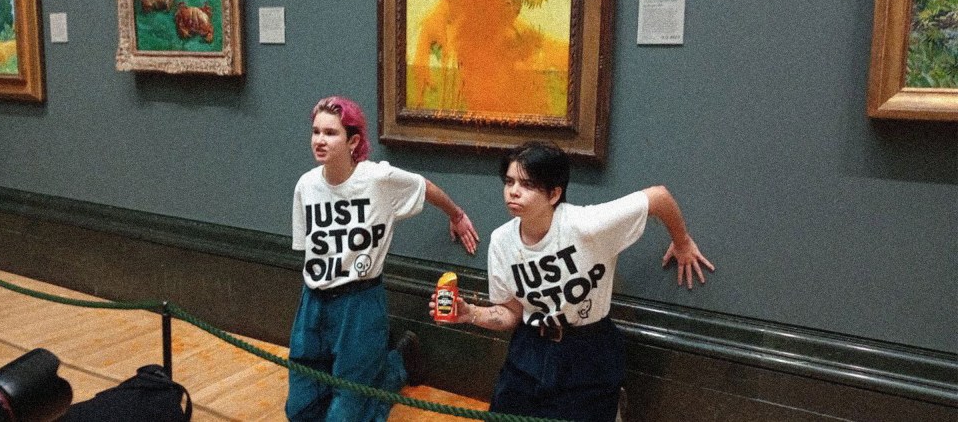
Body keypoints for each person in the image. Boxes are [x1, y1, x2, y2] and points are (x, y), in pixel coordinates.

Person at [428, 141, 714, 421]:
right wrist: (470, 313)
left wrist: (682, 242)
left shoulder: (586, 225)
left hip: (588, 348)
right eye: (509, 181)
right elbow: (511, 313)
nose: (513, 192)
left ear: (554, 194)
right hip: (530, 347)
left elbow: (658, 196)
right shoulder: (502, 241)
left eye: (527, 185)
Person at [286, 96, 479, 421]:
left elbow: (424, 187)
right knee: (299, 412)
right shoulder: (306, 186)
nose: (319, 140)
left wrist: (456, 215)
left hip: (359, 301)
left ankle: (398, 362)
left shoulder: (377, 179)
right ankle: (378, 362)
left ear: (353, 141)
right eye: (316, 131)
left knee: (345, 417)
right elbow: (310, 249)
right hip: (313, 304)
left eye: (330, 133)